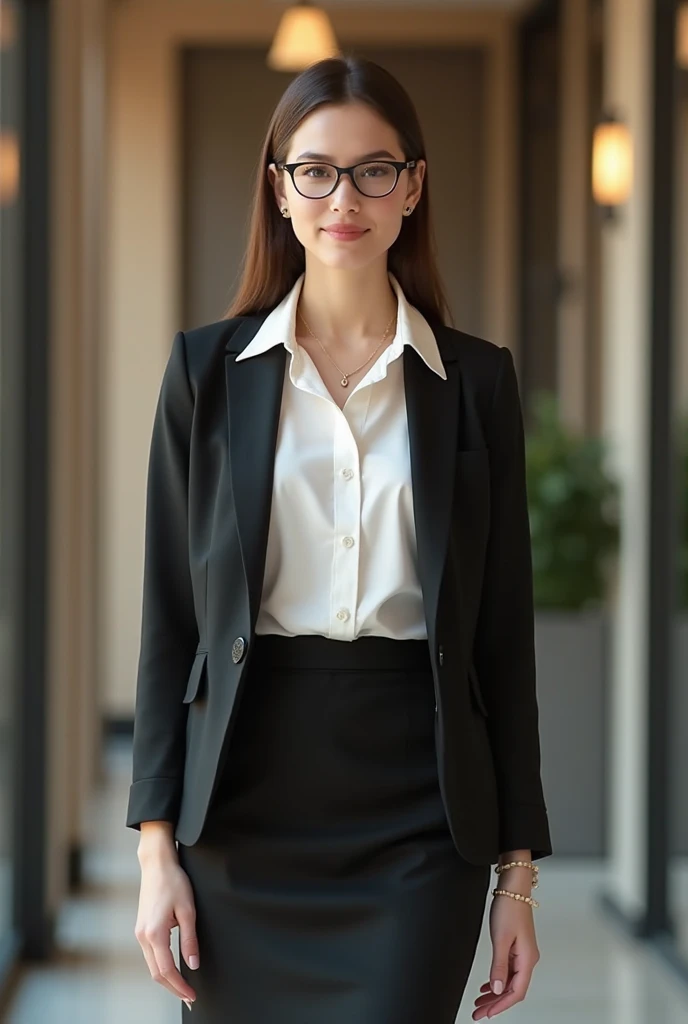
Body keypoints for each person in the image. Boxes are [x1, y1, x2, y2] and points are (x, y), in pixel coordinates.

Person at [127, 55, 553, 1024]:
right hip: (242, 801)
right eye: (313, 170)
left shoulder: (476, 382)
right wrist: (157, 853)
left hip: (418, 811)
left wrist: (516, 880)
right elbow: (169, 617)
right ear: (278, 189)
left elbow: (502, 635)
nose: (343, 197)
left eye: (373, 169)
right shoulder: (206, 370)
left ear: (412, 185)